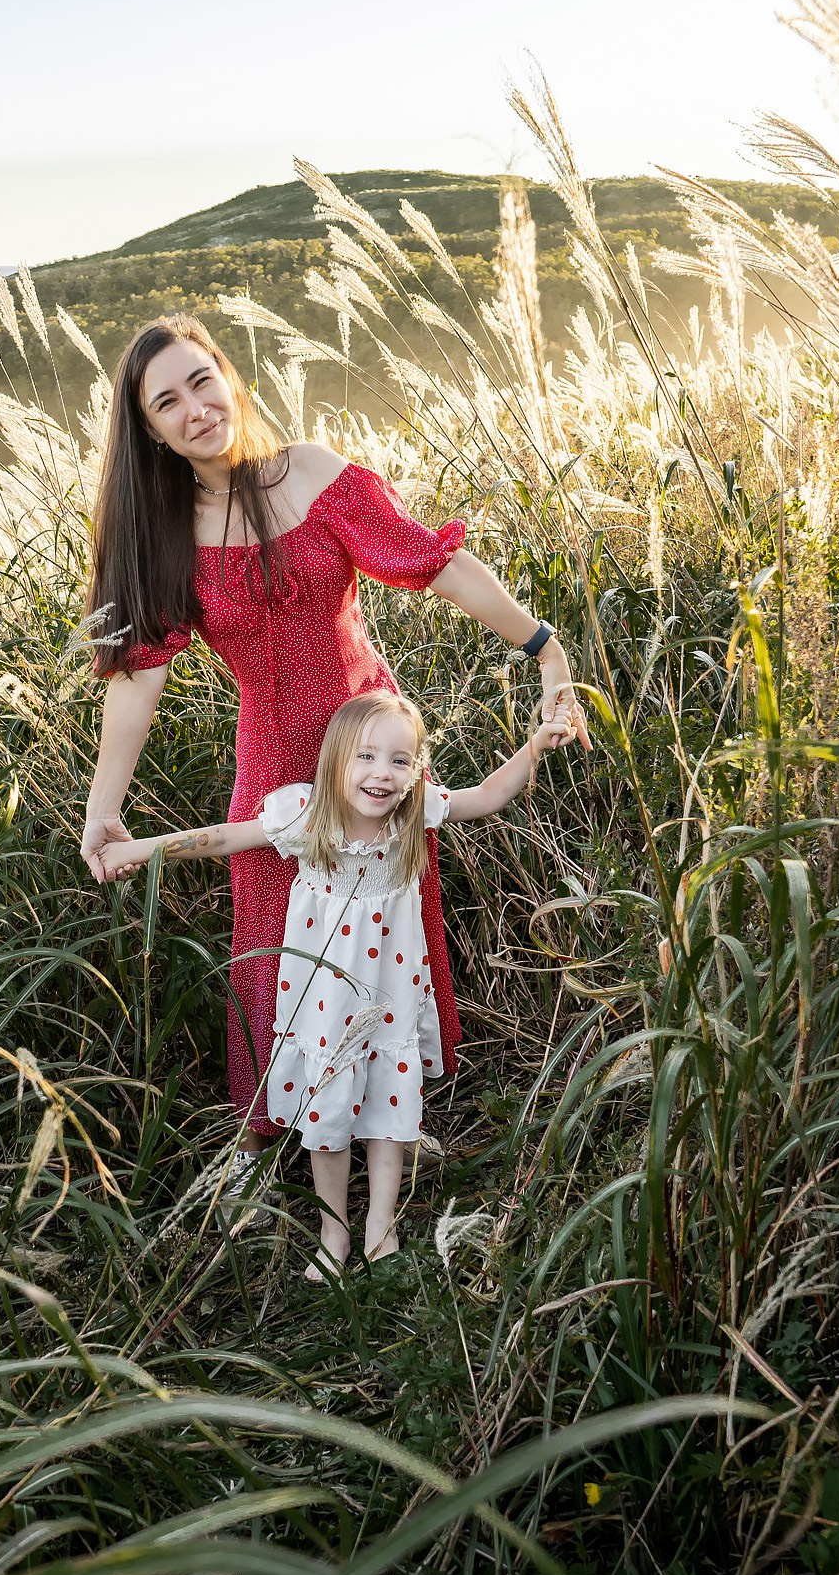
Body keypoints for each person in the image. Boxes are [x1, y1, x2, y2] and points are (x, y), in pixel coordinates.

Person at [81, 314, 587, 1200]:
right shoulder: (160, 533)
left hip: (375, 746)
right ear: (152, 431)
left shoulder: (314, 472)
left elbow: (437, 563)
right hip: (273, 760)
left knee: (387, 933)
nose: (196, 409)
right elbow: (136, 683)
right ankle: (263, 1133)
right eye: (168, 402)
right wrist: (102, 808)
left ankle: (390, 1105)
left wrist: (543, 646)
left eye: (202, 382)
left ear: (227, 377)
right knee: (277, 947)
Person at [106, 690, 577, 1276]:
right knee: (326, 1108)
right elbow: (224, 838)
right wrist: (141, 849)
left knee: (390, 1101)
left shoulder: (415, 813)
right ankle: (335, 1230)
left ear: (415, 769)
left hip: (391, 992)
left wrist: (536, 746)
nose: (383, 774)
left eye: (400, 761)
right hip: (323, 999)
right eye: (366, 757)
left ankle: (382, 1223)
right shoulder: (306, 815)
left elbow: (487, 795)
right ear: (335, 761)